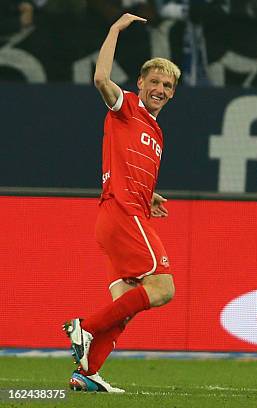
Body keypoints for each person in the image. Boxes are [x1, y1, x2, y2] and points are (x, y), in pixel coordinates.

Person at [62, 13, 181, 393]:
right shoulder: (127, 106)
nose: (160, 88)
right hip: (122, 213)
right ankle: (85, 328)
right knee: (163, 288)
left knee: (128, 303)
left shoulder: (156, 132)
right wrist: (114, 30)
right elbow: (100, 79)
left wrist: (151, 194)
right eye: (155, 81)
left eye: (167, 84)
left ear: (173, 92)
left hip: (122, 214)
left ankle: (87, 372)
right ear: (141, 83)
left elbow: (127, 165)